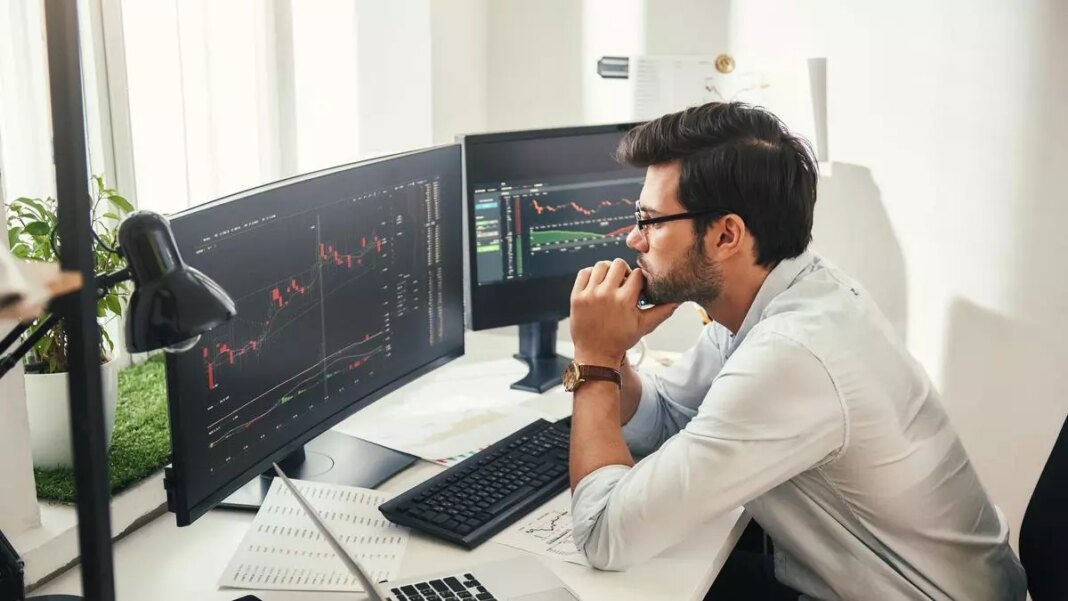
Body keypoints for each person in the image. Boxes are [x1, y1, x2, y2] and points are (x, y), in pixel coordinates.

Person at [564, 102, 1027, 600]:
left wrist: (593, 360)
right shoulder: (779, 292)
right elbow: (670, 419)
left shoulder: (792, 353)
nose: (634, 238)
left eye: (650, 220)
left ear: (725, 235)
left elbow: (602, 534)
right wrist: (613, 355)